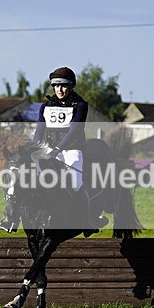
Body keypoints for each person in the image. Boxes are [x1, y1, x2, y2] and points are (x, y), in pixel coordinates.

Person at [32, 66, 107, 232]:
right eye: (56, 86)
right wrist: (35, 148)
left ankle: (88, 220)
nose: (59, 89)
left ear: (71, 86)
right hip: (48, 149)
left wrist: (57, 149)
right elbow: (39, 130)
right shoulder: (46, 106)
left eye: (63, 86)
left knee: (75, 182)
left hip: (72, 151)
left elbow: (74, 131)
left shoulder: (80, 105)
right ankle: (14, 217)